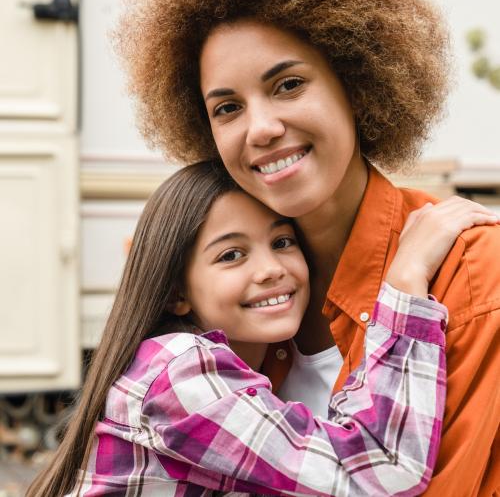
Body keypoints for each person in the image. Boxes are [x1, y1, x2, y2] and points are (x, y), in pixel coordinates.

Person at [111, 0, 500, 495]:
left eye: (289, 84)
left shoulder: (475, 272)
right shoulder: (240, 318)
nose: (262, 129)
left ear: (356, 81)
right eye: (227, 108)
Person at [26, 161, 497, 496]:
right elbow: (383, 471)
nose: (271, 268)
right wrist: (406, 282)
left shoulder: (247, 369)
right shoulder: (179, 374)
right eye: (232, 254)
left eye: (281, 240)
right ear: (176, 294)